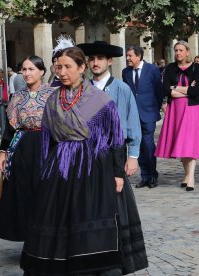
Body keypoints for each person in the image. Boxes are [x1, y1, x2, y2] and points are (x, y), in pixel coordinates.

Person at [20, 47, 148, 275]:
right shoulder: (52, 100)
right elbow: (47, 140)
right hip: (59, 169)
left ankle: (92, 266)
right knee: (58, 219)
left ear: (82, 67)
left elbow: (115, 138)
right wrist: (44, 171)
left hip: (93, 170)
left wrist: (118, 173)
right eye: (59, 67)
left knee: (89, 215)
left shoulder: (101, 100)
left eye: (68, 66)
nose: (62, 71)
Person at [0, 56, 53, 241]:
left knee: (44, 191)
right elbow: (9, 127)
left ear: (42, 71)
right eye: (24, 69)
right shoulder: (17, 96)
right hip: (21, 147)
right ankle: (27, 236)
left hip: (47, 145)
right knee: (22, 191)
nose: (27, 73)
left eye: (31, 69)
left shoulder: (53, 94)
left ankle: (46, 236)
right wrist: (2, 152)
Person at [77, 40, 142, 178]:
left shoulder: (122, 89)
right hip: (87, 149)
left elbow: (132, 122)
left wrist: (133, 156)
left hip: (114, 150)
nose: (95, 63)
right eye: (92, 59)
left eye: (100, 58)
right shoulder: (81, 89)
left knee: (114, 193)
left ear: (110, 61)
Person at [155, 41, 199, 191]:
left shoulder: (195, 67)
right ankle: (186, 174)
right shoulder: (170, 68)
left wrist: (176, 88)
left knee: (190, 141)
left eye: (181, 50)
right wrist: (186, 89)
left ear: (187, 52)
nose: (178, 53)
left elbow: (197, 91)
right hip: (175, 109)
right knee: (180, 142)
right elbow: (166, 90)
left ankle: (191, 177)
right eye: (176, 50)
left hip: (192, 108)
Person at [122, 45, 164, 189]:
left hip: (149, 113)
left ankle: (152, 175)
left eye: (130, 55)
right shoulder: (125, 72)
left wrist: (155, 109)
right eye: (127, 55)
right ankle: (144, 176)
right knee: (137, 145)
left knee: (148, 144)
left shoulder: (152, 69)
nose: (127, 58)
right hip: (132, 116)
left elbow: (159, 91)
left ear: (139, 56)